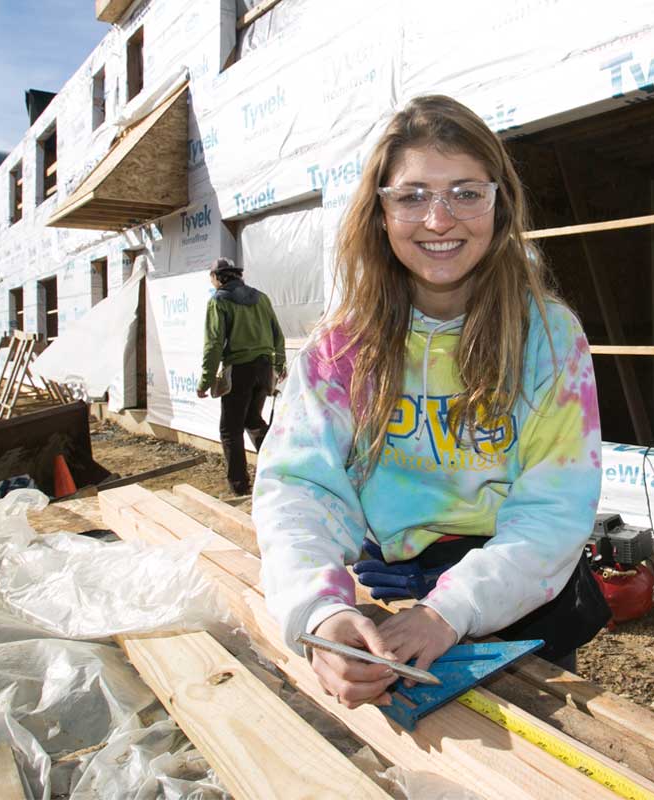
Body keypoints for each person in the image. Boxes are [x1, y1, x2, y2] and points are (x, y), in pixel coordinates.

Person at [253, 95, 608, 709]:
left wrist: (449, 609)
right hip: (386, 608)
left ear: (499, 205)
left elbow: (554, 509)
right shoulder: (339, 349)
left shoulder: (548, 340)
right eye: (413, 195)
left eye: (467, 192)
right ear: (380, 213)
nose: (440, 220)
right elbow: (299, 491)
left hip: (517, 602)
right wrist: (320, 613)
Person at [197, 257, 285, 496]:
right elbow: (278, 334)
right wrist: (279, 363)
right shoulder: (261, 297)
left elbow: (214, 344)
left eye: (212, 278)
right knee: (253, 421)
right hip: (264, 368)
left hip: (240, 369)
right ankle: (280, 470)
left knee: (230, 429)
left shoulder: (218, 301)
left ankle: (240, 486)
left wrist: (205, 381)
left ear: (218, 277)